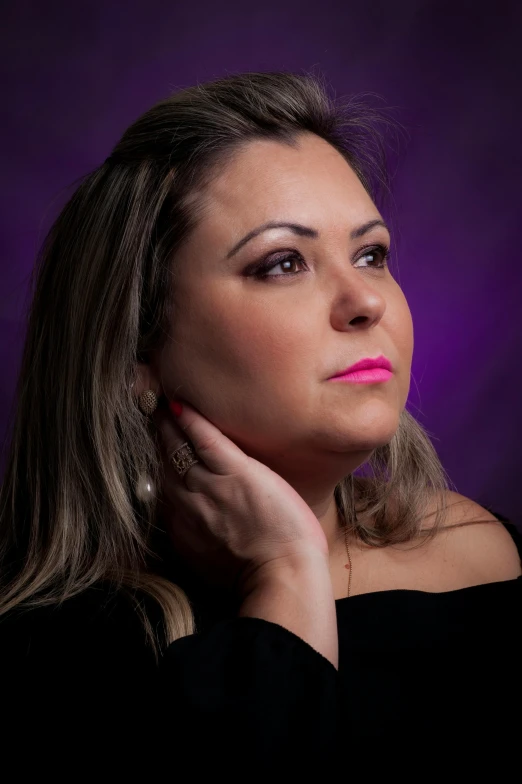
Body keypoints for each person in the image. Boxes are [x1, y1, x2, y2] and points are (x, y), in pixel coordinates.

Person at [0, 70, 520, 776]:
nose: (364, 301)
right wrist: (285, 572)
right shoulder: (62, 651)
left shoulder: (483, 547)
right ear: (136, 351)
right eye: (282, 263)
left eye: (371, 254)